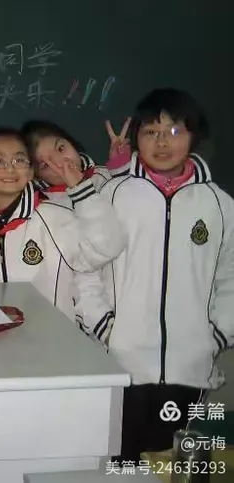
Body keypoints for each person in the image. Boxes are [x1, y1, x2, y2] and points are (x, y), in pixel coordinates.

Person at [75, 89, 234, 462]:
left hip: (189, 365)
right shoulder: (112, 195)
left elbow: (230, 276)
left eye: (174, 131)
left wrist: (217, 334)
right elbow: (86, 267)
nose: (162, 143)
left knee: (173, 464)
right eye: (151, 132)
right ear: (136, 139)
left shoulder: (219, 205)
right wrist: (106, 328)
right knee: (120, 464)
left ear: (194, 136)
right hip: (122, 362)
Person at [0, 128, 126, 318]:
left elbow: (105, 249)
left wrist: (82, 190)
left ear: (30, 172)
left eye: (19, 160)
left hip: (49, 334)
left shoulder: (53, 217)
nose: (10, 168)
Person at [21, 120, 113, 202]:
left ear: (70, 142)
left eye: (60, 148)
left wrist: (119, 166)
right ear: (37, 177)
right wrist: (79, 188)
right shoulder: (45, 207)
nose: (61, 163)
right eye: (45, 165)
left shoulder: (105, 173)